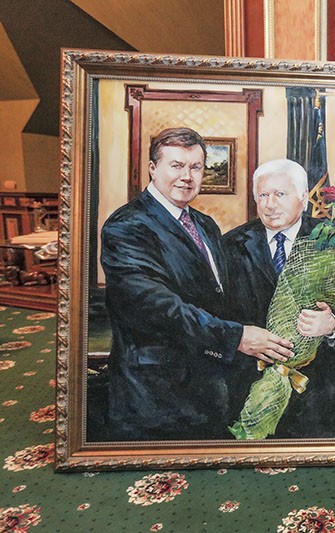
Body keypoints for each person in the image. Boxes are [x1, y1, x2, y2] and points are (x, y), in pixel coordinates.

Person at [101, 127, 292, 441]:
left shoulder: (205, 224)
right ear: (153, 168)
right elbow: (156, 307)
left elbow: (224, 297)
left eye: (195, 167)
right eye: (176, 165)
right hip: (154, 396)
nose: (186, 176)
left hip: (208, 390)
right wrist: (236, 337)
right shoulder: (126, 226)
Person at [224, 158, 335, 438]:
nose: (270, 204)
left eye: (280, 194)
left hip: (324, 385)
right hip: (252, 383)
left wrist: (333, 325)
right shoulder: (231, 245)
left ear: (303, 199)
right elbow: (218, 312)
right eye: (263, 195)